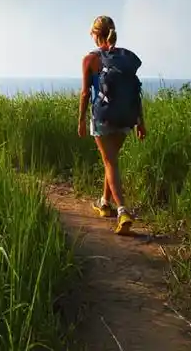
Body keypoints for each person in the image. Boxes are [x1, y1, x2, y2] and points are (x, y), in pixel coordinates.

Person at [77, 15, 146, 235]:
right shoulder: (125, 58)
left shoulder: (91, 59)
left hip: (103, 117)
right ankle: (104, 203)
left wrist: (80, 120)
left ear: (96, 34)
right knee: (112, 161)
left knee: (110, 163)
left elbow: (86, 92)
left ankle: (123, 211)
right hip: (126, 117)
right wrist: (140, 121)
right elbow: (137, 91)